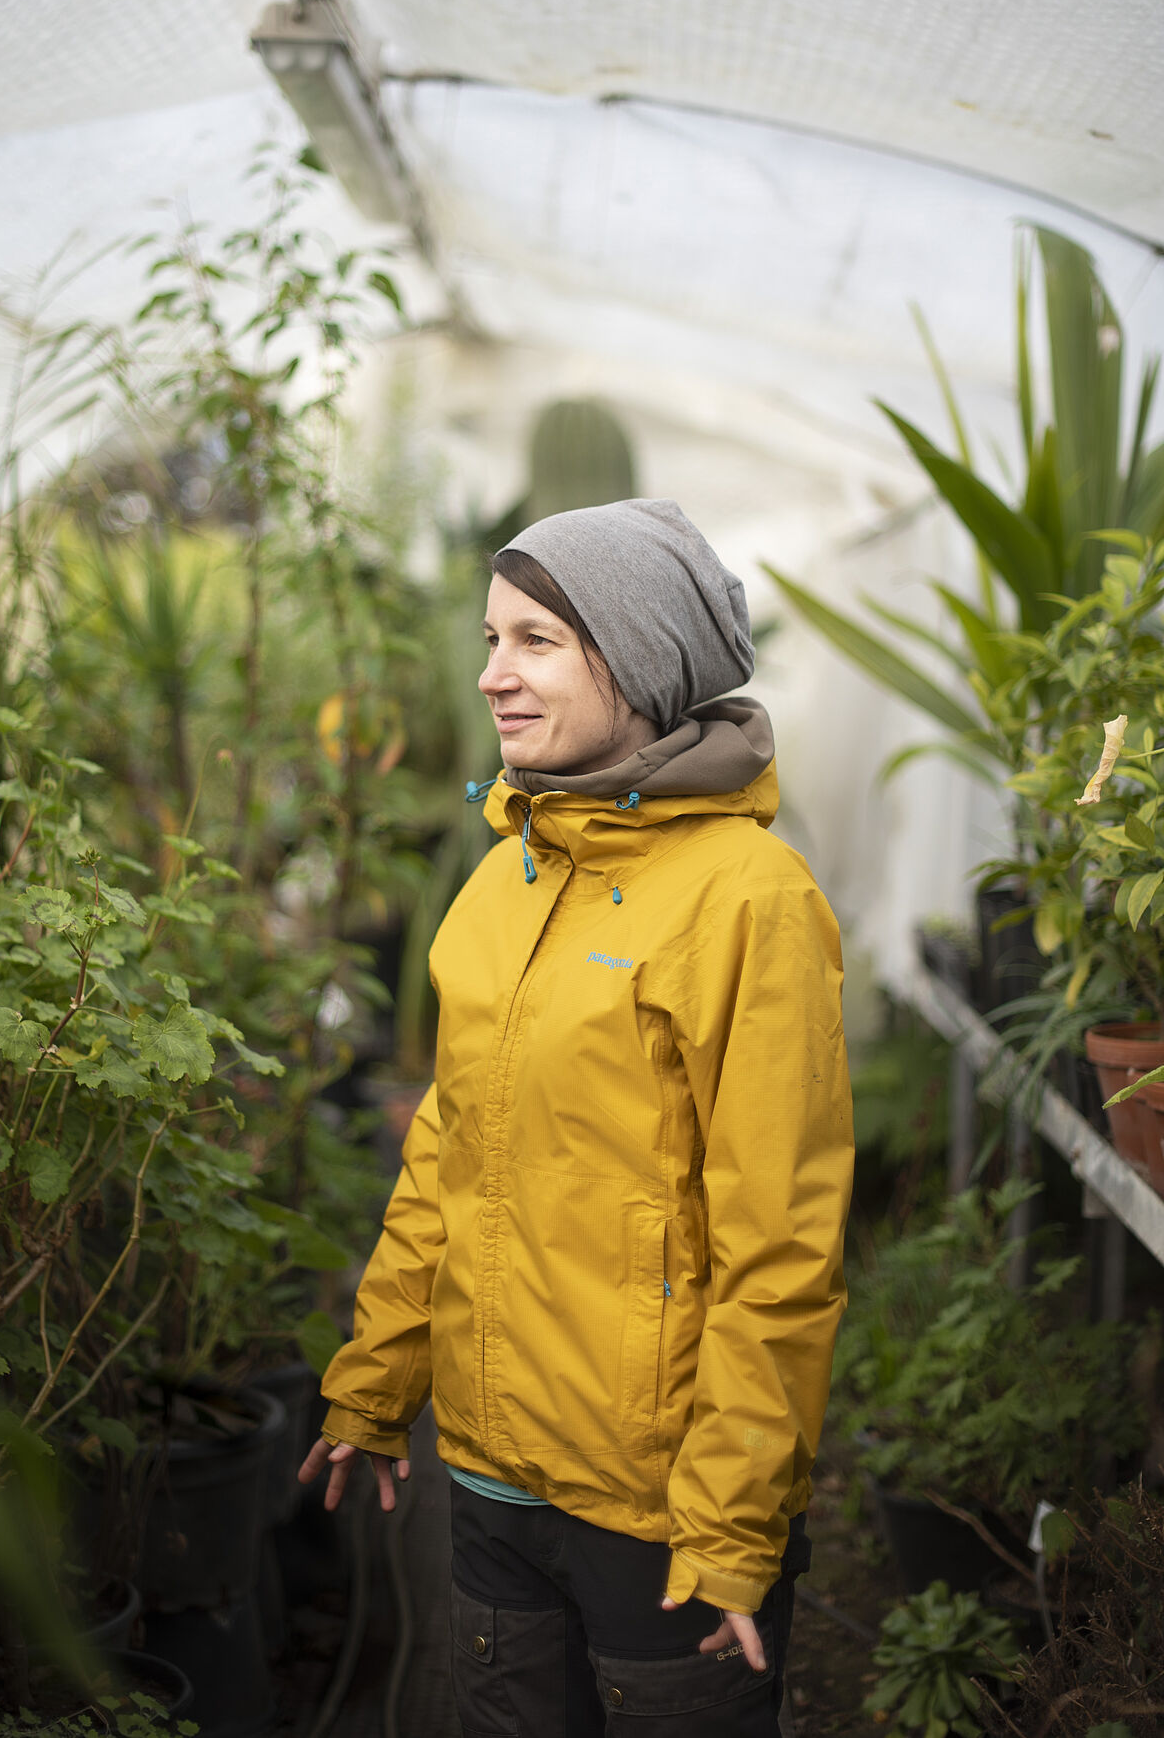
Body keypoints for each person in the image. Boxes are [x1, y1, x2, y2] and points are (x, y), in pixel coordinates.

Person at [300, 498, 854, 1736]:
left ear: (643, 660)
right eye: (491, 638)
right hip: (489, 1477)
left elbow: (782, 1247)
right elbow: (447, 1153)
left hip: (657, 1512)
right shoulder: (506, 876)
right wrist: (377, 1380)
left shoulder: (748, 900)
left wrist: (731, 1526)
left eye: (537, 640)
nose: (492, 675)